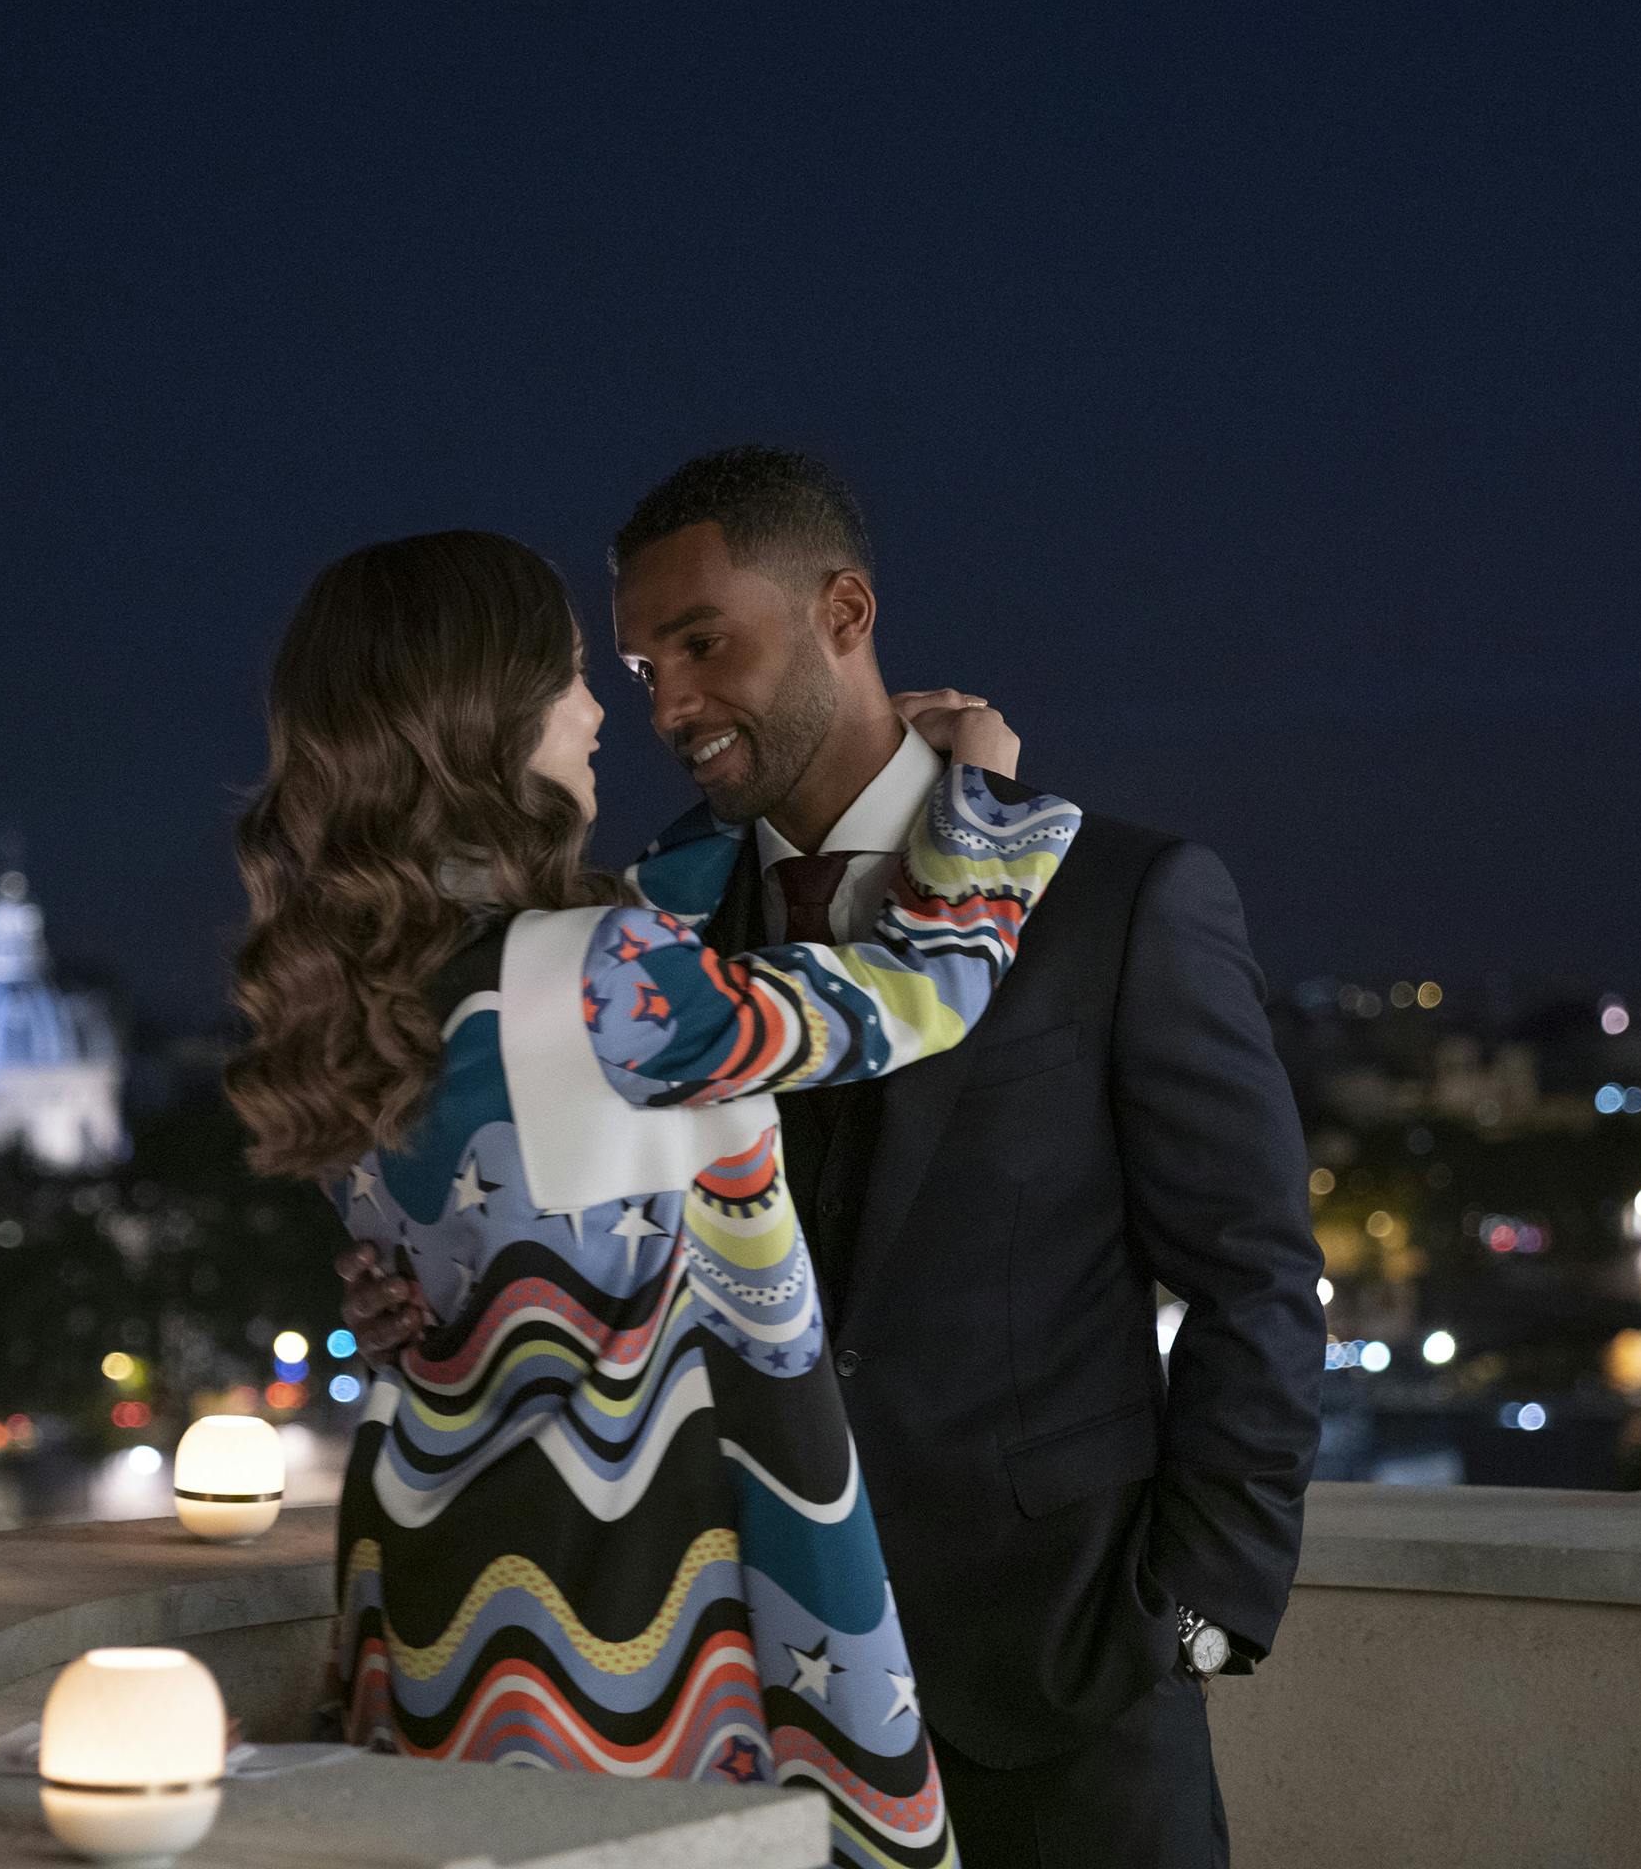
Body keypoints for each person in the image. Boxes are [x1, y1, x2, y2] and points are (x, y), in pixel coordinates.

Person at [343, 450, 1326, 1869]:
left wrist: (1192, 1620)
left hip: (1060, 1677)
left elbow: (1256, 1277)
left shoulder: (1120, 899)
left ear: (844, 613)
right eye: (633, 668)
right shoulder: (641, 937)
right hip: (736, 1686)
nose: (669, 705)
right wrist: (408, 1293)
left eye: (700, 644)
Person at [229, 526, 1082, 1869]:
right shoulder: (591, 976)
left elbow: (614, 962)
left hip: (440, 1564)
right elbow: (907, 997)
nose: (596, 712)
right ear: (484, 715)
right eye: (570, 676)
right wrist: (979, 799)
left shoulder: (357, 989)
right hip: (638, 1575)